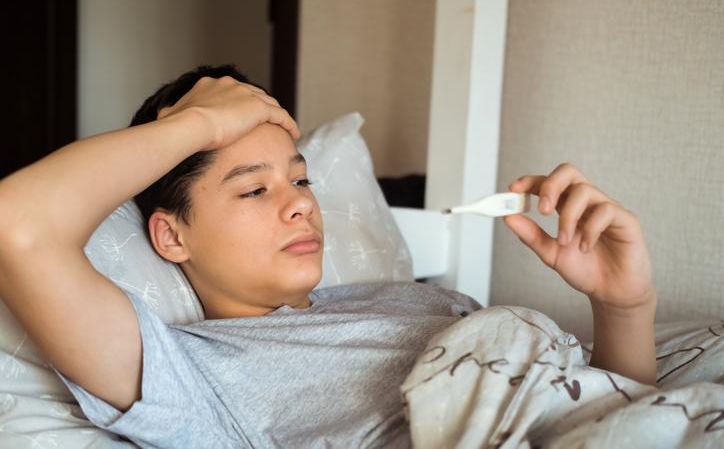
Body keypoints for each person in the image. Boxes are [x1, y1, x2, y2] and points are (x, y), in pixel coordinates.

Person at [0, 65, 656, 448]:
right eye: (255, 188)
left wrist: (623, 304)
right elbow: (17, 223)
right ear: (172, 237)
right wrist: (196, 123)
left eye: (302, 178)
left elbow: (610, 410)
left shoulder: (416, 297)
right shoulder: (193, 374)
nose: (299, 205)